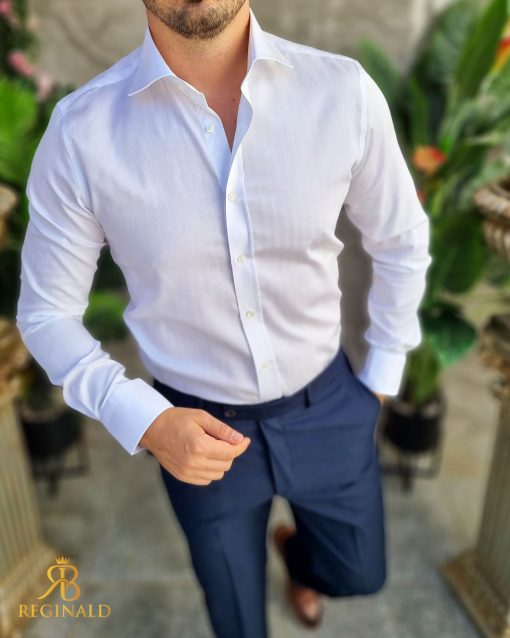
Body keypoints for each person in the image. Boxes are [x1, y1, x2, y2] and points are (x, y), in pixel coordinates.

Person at [16, 0, 432, 636]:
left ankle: (296, 557)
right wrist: (147, 420)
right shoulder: (80, 133)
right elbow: (46, 312)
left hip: (328, 403)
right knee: (235, 619)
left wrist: (381, 376)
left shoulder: (342, 91)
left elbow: (401, 239)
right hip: (194, 426)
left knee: (358, 573)